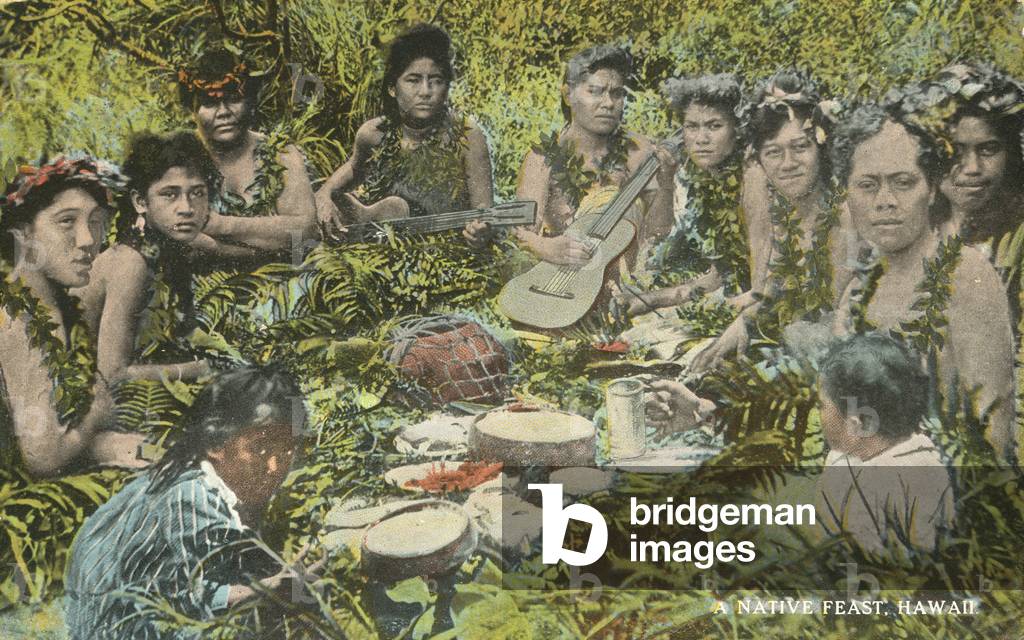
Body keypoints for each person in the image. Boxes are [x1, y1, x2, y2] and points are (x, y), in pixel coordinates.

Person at [64, 366, 322, 640]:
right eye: (260, 448)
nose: (275, 466)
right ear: (215, 444)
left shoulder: (200, 482)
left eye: (288, 450)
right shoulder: (191, 496)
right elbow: (179, 597)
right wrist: (265, 590)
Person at [831, 104, 1016, 462]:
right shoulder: (859, 287)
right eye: (867, 185)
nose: (885, 202)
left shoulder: (964, 275)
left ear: (931, 189)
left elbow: (992, 428)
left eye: (903, 183)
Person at [689, 71, 856, 373]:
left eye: (800, 147)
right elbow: (776, 291)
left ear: (821, 148)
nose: (788, 164)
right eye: (774, 152)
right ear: (760, 160)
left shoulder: (846, 217)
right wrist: (742, 325)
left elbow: (833, 322)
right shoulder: (785, 213)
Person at [0, 156, 146, 477]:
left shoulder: (52, 306)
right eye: (67, 221)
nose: (88, 240)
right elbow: (42, 459)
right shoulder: (16, 318)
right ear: (23, 234)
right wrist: (96, 413)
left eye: (95, 222)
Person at [316, 24, 495, 248]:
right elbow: (353, 168)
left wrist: (480, 233)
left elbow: (484, 211)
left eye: (436, 80)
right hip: (384, 249)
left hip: (449, 250)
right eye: (413, 80)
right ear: (392, 88)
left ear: (447, 87)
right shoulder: (373, 134)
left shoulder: (466, 136)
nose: (425, 91)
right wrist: (324, 194)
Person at [513, 44, 675, 272]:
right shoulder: (542, 158)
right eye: (595, 91)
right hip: (561, 278)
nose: (608, 103)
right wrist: (546, 247)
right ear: (568, 95)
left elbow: (657, 234)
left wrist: (666, 183)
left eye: (617, 93)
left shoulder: (639, 151)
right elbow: (521, 233)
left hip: (626, 279)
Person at [73, 131, 216, 383]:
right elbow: (112, 374)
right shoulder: (130, 263)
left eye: (197, 193)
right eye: (170, 194)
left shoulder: (173, 246)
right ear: (140, 202)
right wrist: (198, 370)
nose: (186, 208)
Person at [619, 73, 755, 313]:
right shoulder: (705, 181)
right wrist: (650, 300)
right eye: (692, 127)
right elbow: (721, 275)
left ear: (737, 129)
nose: (701, 139)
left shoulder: (752, 177)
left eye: (714, 126)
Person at [816, 333, 954, 554]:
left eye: (822, 406)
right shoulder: (927, 458)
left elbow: (859, 554)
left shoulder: (867, 483)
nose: (819, 414)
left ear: (859, 423)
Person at [178, 48, 318, 262]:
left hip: (283, 275)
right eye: (210, 103)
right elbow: (175, 236)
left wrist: (221, 226)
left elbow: (304, 232)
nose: (223, 112)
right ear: (192, 111)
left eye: (234, 99)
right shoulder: (178, 159)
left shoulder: (280, 153)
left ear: (250, 102)